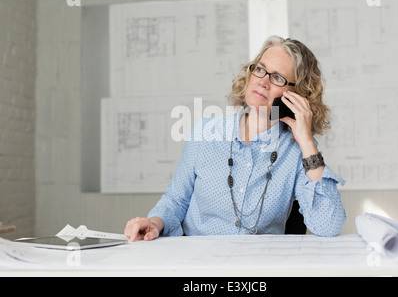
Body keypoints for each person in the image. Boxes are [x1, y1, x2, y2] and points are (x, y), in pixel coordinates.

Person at [124, 36, 346, 241]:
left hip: (258, 268)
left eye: (277, 77)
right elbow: (176, 200)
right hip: (198, 264)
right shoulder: (206, 131)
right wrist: (154, 223)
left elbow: (327, 226)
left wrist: (306, 142)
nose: (262, 81)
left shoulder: (298, 150)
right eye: (260, 69)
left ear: (296, 95)